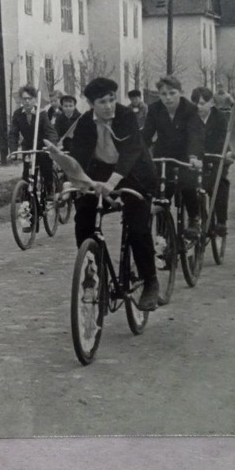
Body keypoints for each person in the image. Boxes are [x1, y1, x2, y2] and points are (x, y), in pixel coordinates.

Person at [68, 77, 160, 311]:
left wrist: (112, 182)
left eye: (111, 99)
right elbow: (77, 155)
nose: (109, 106)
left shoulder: (125, 116)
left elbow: (131, 151)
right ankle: (92, 274)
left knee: (137, 227)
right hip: (101, 175)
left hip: (135, 175)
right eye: (102, 102)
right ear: (91, 104)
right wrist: (72, 183)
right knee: (84, 218)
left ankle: (150, 282)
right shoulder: (85, 122)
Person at [142, 76, 204, 238]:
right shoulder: (154, 109)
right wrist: (138, 154)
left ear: (180, 92)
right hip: (163, 153)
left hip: (185, 154)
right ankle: (162, 233)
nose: (168, 98)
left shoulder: (189, 109)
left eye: (172, 93)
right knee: (161, 191)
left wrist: (193, 156)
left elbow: (195, 134)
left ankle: (194, 219)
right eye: (163, 94)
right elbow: (146, 135)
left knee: (187, 183)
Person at [190, 86, 235, 237]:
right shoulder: (190, 117)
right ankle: (197, 219)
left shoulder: (220, 117)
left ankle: (221, 221)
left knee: (219, 182)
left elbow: (225, 137)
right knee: (189, 185)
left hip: (216, 157)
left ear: (211, 103)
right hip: (197, 158)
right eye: (195, 103)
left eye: (202, 103)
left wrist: (227, 153)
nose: (198, 107)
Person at [8, 84, 58, 202]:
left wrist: (50, 146)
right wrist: (13, 151)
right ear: (21, 100)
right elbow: (13, 133)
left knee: (46, 164)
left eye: (29, 98)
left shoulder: (42, 114)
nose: (27, 101)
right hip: (28, 146)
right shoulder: (18, 114)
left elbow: (51, 132)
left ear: (35, 99)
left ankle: (49, 188)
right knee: (27, 170)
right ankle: (25, 192)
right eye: (24, 99)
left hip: (42, 145)